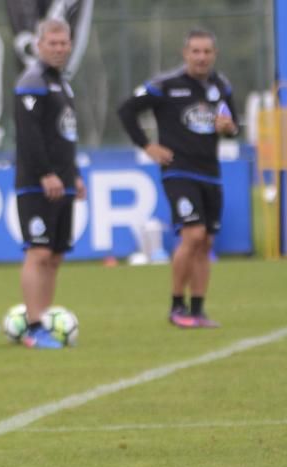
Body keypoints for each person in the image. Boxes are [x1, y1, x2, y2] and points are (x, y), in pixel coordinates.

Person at [117, 28, 238, 328]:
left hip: (211, 173)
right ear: (185, 54)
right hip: (178, 170)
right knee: (192, 235)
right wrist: (148, 146)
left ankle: (197, 310)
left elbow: (233, 124)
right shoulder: (166, 85)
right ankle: (176, 306)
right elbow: (126, 110)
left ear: (214, 54)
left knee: (206, 242)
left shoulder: (221, 85)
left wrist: (229, 128)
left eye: (206, 51)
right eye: (195, 51)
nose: (201, 57)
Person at [12, 18, 86, 349]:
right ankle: (33, 325)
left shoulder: (62, 82)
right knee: (38, 251)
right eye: (52, 43)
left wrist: (75, 175)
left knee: (55, 256)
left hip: (64, 180)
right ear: (39, 45)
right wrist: (45, 173)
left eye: (63, 43)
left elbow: (64, 134)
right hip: (37, 183)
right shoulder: (33, 80)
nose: (58, 48)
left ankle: (44, 319)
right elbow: (29, 135)